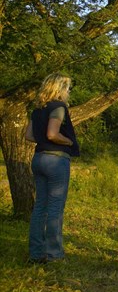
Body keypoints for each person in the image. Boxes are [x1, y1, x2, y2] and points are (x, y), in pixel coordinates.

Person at [25, 72, 79, 264]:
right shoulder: (58, 107)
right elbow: (52, 134)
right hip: (55, 160)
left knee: (40, 207)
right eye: (67, 88)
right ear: (60, 88)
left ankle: (36, 253)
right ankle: (54, 254)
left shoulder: (38, 109)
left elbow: (29, 136)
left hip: (38, 158)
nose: (68, 92)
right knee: (56, 208)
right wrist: (69, 141)